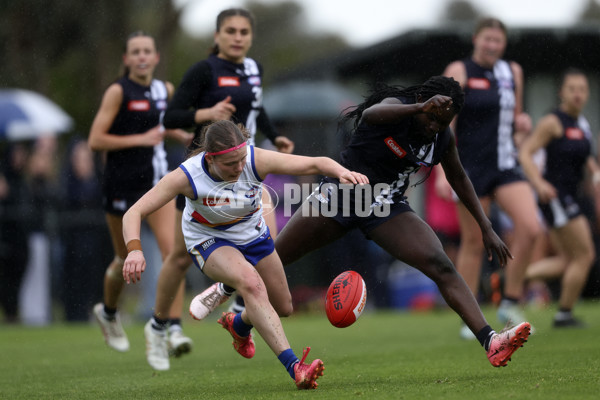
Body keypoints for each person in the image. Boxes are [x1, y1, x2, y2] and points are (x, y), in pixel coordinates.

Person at [194, 76, 532, 368]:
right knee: (274, 260)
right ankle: (228, 298)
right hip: (341, 196)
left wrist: (486, 227)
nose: (434, 127)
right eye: (432, 118)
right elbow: (371, 113)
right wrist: (419, 109)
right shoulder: (397, 108)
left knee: (440, 264)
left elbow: (458, 177)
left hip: (386, 207)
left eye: (443, 122)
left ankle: (490, 340)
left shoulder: (442, 136)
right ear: (421, 102)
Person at [122, 120, 351, 387]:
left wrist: (343, 172)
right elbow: (134, 212)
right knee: (251, 282)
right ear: (210, 158)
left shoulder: (254, 160)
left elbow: (315, 163)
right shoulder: (187, 177)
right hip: (209, 239)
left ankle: (239, 325)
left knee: (284, 307)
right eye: (231, 164)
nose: (239, 168)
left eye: (241, 160)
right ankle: (295, 368)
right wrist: (134, 250)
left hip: (253, 234)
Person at [144, 7, 294, 370]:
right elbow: (170, 116)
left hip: (246, 176)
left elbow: (256, 109)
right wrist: (205, 114)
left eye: (244, 31)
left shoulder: (254, 69)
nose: (238, 37)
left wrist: (275, 136)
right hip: (207, 182)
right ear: (217, 35)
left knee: (263, 247)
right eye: (230, 31)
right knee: (179, 259)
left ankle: (238, 312)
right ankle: (158, 325)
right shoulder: (203, 71)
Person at [88, 31, 194, 353]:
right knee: (124, 260)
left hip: (157, 184)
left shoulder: (166, 89)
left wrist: (186, 136)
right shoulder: (118, 91)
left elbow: (164, 125)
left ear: (156, 57)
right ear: (127, 59)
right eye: (135, 51)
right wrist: (139, 139)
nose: (142, 56)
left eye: (147, 51)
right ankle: (108, 313)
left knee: (173, 255)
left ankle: (171, 329)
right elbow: (95, 139)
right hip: (121, 187)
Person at [438, 17, 541, 339]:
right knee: (473, 242)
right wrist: (443, 171)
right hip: (468, 168)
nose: (493, 46)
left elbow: (515, 119)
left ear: (504, 44)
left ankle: (510, 302)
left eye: (498, 41)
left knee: (531, 229)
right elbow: (443, 123)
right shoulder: (460, 70)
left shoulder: (513, 72)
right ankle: (472, 320)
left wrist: (522, 124)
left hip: (505, 164)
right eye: (488, 40)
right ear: (475, 39)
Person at [519, 68, 599, 328]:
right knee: (585, 256)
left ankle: (511, 277)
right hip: (556, 196)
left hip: (570, 196)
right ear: (561, 92)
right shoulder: (553, 122)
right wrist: (539, 183)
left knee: (568, 260)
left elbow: (585, 154)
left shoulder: (581, 124)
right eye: (572, 89)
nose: (578, 94)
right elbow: (526, 153)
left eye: (582, 90)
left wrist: (595, 173)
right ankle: (564, 314)